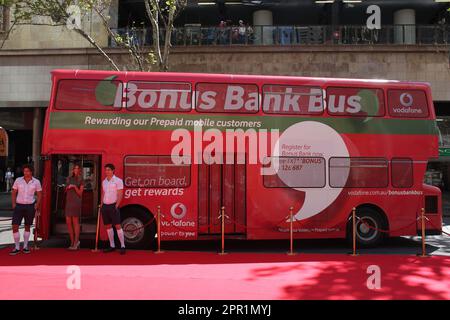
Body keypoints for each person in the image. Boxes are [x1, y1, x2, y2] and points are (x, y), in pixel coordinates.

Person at [10, 164, 42, 255]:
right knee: (15, 225)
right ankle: (16, 247)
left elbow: (40, 194)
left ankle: (25, 246)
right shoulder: (18, 180)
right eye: (24, 171)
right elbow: (14, 192)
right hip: (19, 205)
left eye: (27, 171)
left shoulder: (36, 182)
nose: (26, 173)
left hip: (30, 206)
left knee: (27, 226)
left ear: (31, 172)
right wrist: (13, 203)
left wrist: (37, 204)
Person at [101, 163, 126, 255]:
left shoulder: (118, 181)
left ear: (113, 170)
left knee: (118, 225)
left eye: (108, 170)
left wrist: (116, 205)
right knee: (108, 226)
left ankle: (123, 246)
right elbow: (103, 193)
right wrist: (102, 204)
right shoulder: (104, 182)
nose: (106, 171)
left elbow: (120, 194)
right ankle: (112, 246)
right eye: (106, 170)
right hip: (105, 206)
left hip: (113, 206)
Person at [65, 163, 84, 250]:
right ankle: (72, 241)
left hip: (76, 202)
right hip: (68, 201)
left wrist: (74, 187)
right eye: (75, 168)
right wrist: (67, 187)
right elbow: (65, 190)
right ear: (72, 170)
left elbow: (80, 193)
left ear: (80, 170)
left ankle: (76, 242)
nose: (76, 170)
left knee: (75, 222)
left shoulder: (81, 179)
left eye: (78, 168)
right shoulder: (68, 178)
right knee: (68, 222)